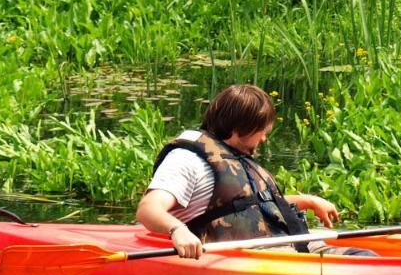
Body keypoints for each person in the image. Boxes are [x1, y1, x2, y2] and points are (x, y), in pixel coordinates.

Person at [137, 84, 370, 258]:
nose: (265, 138)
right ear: (241, 128)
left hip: (284, 248)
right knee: (362, 265)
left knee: (362, 257)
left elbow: (246, 207)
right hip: (247, 258)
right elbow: (148, 209)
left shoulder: (235, 156)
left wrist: (305, 201)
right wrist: (178, 230)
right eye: (262, 130)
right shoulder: (187, 160)